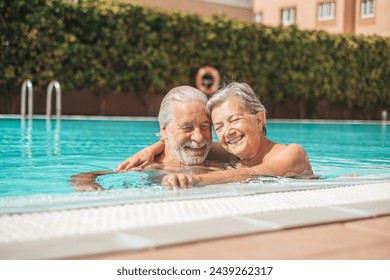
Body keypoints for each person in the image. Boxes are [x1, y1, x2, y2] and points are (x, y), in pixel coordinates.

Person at [121, 82, 314, 188]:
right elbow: (190, 145)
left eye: (234, 120)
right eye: (219, 126)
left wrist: (194, 180)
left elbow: (252, 174)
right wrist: (154, 148)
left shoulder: (292, 153)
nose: (227, 132)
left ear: (259, 119)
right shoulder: (233, 155)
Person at [72, 85, 225, 191]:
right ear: (164, 130)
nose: (199, 138)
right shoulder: (150, 166)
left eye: (205, 126)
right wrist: (87, 186)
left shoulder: (218, 159)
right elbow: (86, 176)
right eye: (187, 127)